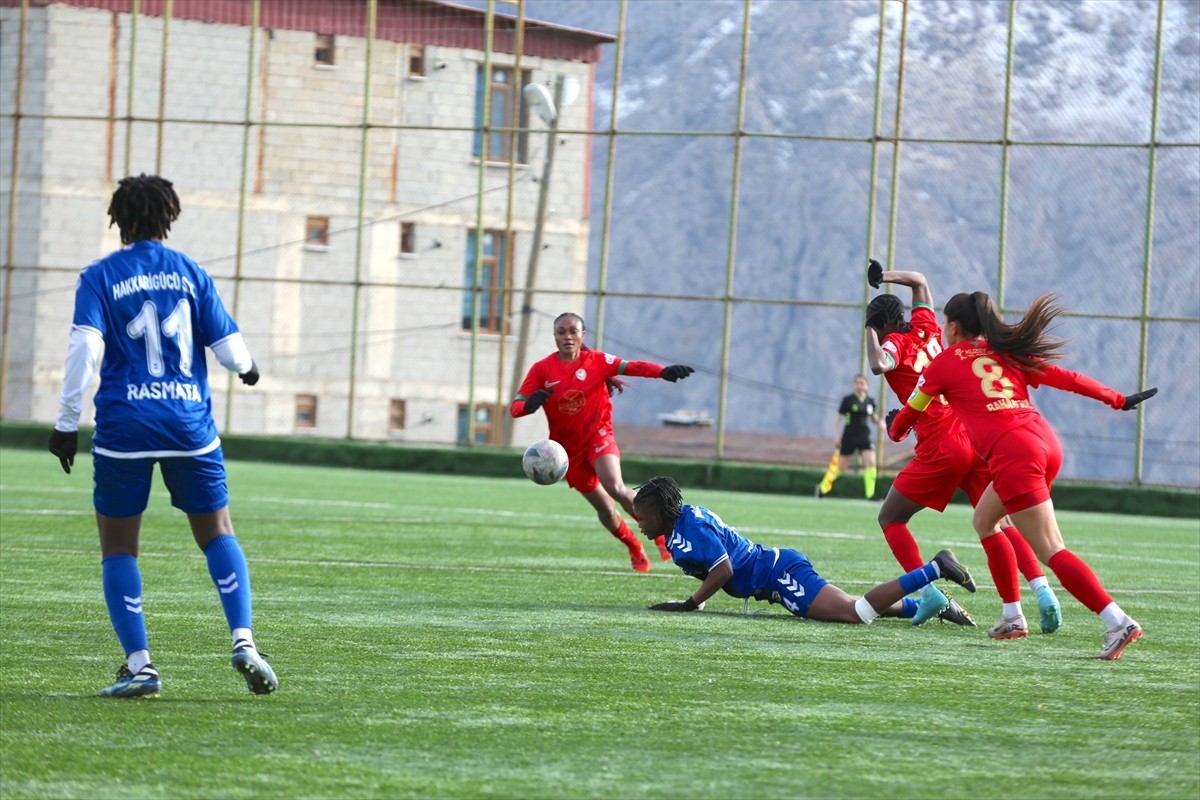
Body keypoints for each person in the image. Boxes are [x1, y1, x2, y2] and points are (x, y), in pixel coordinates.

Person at [47, 174, 277, 697]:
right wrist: (247, 368)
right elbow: (229, 347)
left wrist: (65, 424)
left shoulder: (100, 276)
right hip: (188, 424)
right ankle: (243, 640)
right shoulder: (190, 272)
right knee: (218, 530)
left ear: (119, 219)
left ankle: (141, 665)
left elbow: (85, 349)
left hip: (125, 426)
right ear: (168, 216)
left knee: (119, 547)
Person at [888, 290, 1156, 659]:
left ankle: (1117, 620)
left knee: (1051, 549)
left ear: (951, 327)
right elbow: (1067, 377)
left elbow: (910, 412)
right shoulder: (1005, 352)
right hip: (1044, 441)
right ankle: (1012, 616)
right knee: (985, 519)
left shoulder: (943, 364)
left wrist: (895, 431)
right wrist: (1117, 399)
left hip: (1015, 453)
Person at [864, 259, 1062, 635]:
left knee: (891, 518)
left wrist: (870, 334)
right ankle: (1042, 590)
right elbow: (920, 280)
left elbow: (879, 364)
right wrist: (884, 277)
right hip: (971, 438)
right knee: (1000, 523)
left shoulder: (894, 340)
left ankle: (928, 592)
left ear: (881, 324)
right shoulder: (925, 326)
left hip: (941, 444)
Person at [632, 476, 977, 624]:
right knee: (848, 605)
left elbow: (724, 570)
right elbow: (714, 565)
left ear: (660, 512)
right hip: (779, 568)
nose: (641, 525)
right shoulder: (687, 518)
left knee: (855, 613)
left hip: (778, 576)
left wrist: (689, 605)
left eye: (642, 518)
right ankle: (937, 606)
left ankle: (935, 569)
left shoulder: (686, 533)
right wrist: (697, 601)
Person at [510, 312, 694, 572]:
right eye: (561, 332)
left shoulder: (596, 361)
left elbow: (633, 366)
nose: (567, 336)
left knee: (616, 487)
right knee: (606, 510)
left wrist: (663, 371)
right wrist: (528, 405)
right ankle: (634, 546)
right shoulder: (542, 369)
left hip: (599, 436)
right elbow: (515, 407)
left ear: (582, 335)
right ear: (554, 337)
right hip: (567, 452)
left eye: (573, 331)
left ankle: (662, 537)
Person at [815, 374, 881, 500]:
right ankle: (823, 488)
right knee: (841, 467)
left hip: (864, 436)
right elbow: (838, 418)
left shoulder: (870, 401)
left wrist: (881, 424)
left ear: (867, 386)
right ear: (854, 385)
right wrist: (836, 435)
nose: (859, 386)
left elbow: (874, 418)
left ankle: (870, 494)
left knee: (871, 463)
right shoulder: (848, 400)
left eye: (862, 383)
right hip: (849, 436)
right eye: (857, 383)